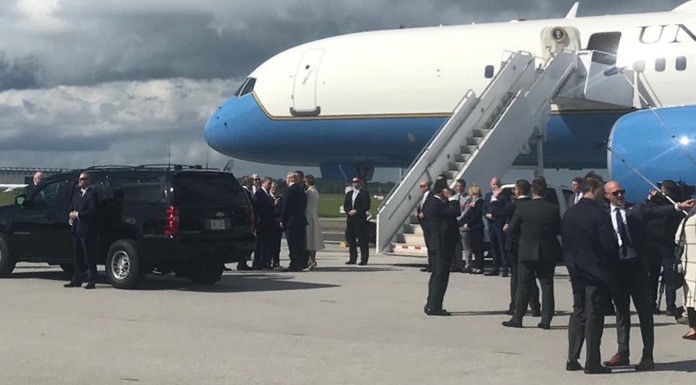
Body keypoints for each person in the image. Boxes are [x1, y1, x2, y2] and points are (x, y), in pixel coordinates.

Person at [602, 180, 695, 371]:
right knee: (622, 313)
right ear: (607, 196)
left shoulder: (635, 210)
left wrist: (678, 206)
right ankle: (622, 352)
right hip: (617, 271)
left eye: (622, 192)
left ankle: (647, 355)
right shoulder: (602, 214)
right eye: (615, 193)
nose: (620, 195)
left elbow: (656, 211)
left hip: (637, 269)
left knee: (645, 314)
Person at [562, 177, 618, 374]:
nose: (604, 193)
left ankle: (572, 357)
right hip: (596, 271)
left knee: (578, 312)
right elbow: (608, 244)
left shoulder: (570, 213)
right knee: (594, 314)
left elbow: (565, 242)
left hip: (575, 269)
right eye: (602, 190)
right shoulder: (599, 213)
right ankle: (592, 361)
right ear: (593, 190)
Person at [503, 178, 561, 329]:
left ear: (532, 191)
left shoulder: (523, 208)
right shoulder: (553, 208)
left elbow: (513, 228)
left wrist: (508, 228)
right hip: (547, 250)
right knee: (547, 285)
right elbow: (559, 229)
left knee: (523, 285)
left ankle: (518, 318)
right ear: (545, 192)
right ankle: (546, 320)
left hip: (527, 250)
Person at [497, 179, 541, 317]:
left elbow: (496, 211)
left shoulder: (514, 205)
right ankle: (535, 306)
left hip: (514, 244)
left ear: (519, 190)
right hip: (529, 244)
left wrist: (497, 197)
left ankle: (515, 305)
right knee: (530, 276)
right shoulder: (532, 204)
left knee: (516, 275)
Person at [644, 180, 684, 316]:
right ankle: (670, 306)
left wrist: (650, 199)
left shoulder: (656, 204)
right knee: (669, 277)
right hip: (665, 244)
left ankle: (652, 305)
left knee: (654, 276)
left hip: (655, 245)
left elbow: (646, 212)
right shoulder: (674, 204)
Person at [424, 182, 460, 316]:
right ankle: (435, 306)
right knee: (440, 276)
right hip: (441, 244)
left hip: (436, 242)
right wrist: (452, 199)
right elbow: (455, 212)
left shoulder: (430, 202)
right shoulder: (436, 204)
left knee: (436, 275)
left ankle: (431, 303)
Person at [65, 172, 100, 289]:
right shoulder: (77, 195)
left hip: (87, 230)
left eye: (83, 179)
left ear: (89, 180)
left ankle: (92, 279)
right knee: (77, 255)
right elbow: (72, 207)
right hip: (76, 229)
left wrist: (79, 214)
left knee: (88, 255)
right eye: (79, 179)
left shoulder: (92, 195)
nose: (80, 181)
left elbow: (93, 211)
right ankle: (77, 278)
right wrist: (71, 215)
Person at [280, 172, 308, 271]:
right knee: (300, 244)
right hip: (301, 221)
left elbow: (286, 207)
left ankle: (294, 264)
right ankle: (300, 263)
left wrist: (282, 220)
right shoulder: (302, 191)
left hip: (291, 222)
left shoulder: (288, 191)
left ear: (290, 179)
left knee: (292, 244)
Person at [484, 176, 509, 276]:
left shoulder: (504, 196)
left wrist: (507, 222)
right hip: (491, 224)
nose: (495, 186)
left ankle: (505, 268)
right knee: (493, 247)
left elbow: (507, 210)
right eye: (494, 184)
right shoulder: (488, 195)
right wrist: (486, 214)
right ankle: (495, 267)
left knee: (502, 246)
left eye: (497, 184)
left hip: (500, 223)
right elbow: (484, 208)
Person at [343, 176, 371, 265]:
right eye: (354, 182)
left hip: (360, 220)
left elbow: (366, 205)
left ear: (360, 183)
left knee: (362, 240)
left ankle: (364, 259)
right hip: (351, 220)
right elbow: (346, 205)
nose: (355, 183)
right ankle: (352, 258)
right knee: (351, 240)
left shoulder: (364, 193)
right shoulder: (349, 194)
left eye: (357, 181)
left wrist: (356, 211)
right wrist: (349, 211)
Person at [460, 184, 485, 274]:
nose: (469, 192)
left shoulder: (480, 201)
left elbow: (477, 215)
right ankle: (475, 266)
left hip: (477, 227)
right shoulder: (473, 201)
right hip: (472, 227)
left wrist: (469, 223)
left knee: (478, 248)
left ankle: (479, 266)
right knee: (474, 247)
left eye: (470, 190)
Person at [253, 177, 276, 270]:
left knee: (266, 244)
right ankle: (258, 262)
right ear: (263, 183)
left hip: (268, 223)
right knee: (260, 244)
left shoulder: (267, 195)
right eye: (268, 184)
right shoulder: (259, 193)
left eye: (271, 184)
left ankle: (265, 262)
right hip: (262, 223)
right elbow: (257, 207)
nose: (270, 186)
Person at [679, 213, 696, 340]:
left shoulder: (689, 220)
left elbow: (677, 239)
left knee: (690, 298)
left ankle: (693, 329)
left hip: (691, 263)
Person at [304, 175, 324, 270]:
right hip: (314, 214)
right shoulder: (315, 191)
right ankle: (312, 259)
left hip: (309, 215)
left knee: (310, 238)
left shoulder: (309, 192)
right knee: (314, 237)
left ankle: (311, 260)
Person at [452, 179, 472, 272]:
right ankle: (459, 264)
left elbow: (466, 212)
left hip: (463, 225)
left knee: (466, 246)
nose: (459, 188)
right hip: (455, 226)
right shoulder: (454, 197)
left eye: (461, 186)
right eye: (458, 186)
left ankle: (468, 265)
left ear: (464, 187)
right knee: (457, 246)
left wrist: (456, 220)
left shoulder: (468, 198)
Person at [417, 180, 436, 272]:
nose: (421, 188)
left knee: (432, 246)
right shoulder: (423, 197)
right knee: (428, 245)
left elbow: (431, 209)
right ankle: (430, 264)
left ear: (427, 186)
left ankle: (434, 265)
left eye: (422, 186)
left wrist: (424, 214)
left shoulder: (431, 196)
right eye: (420, 186)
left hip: (430, 225)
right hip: (425, 225)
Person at [269, 182, 283, 269]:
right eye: (273, 187)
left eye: (276, 187)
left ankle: (276, 262)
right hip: (270, 225)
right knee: (269, 245)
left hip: (278, 225)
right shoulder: (268, 198)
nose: (275, 189)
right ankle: (268, 261)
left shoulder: (281, 198)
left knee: (277, 245)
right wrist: (274, 204)